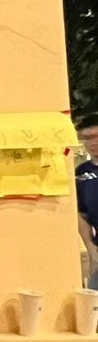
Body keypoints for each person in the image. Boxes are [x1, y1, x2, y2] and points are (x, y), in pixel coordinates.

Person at [75, 116, 98, 288]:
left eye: (96, 136)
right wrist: (91, 250)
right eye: (87, 138)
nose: (93, 142)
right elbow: (81, 214)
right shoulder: (82, 173)